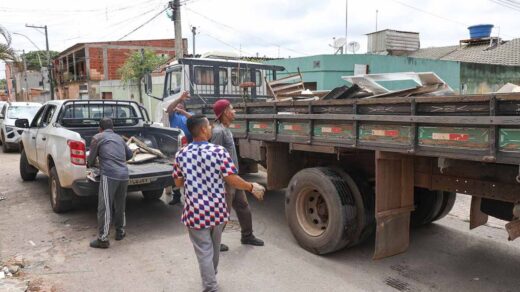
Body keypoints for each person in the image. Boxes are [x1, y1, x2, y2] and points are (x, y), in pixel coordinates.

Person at [173, 114, 265, 292]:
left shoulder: (181, 154)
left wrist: (193, 178)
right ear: (202, 129)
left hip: (195, 212)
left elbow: (178, 183)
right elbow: (231, 179)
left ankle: (210, 285)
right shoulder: (218, 152)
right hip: (217, 210)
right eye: (209, 126)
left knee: (204, 250)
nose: (211, 129)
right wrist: (251, 186)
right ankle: (211, 279)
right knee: (214, 249)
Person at [211, 99, 264, 252]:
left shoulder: (226, 129)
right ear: (225, 112)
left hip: (234, 177)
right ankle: (215, 242)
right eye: (232, 109)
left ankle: (247, 236)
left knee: (243, 207)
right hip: (226, 179)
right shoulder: (218, 132)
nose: (234, 112)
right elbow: (215, 157)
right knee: (223, 213)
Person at [87, 118, 133, 249]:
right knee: (120, 205)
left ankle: (103, 239)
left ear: (99, 128)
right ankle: (120, 232)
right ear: (112, 128)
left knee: (105, 207)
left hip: (110, 175)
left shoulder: (97, 137)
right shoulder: (119, 138)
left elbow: (91, 159)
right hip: (124, 175)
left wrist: (90, 163)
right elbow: (129, 155)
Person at [166, 91, 193, 205]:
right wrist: (178, 99)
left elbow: (195, 118)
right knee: (176, 173)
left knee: (189, 174)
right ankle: (176, 196)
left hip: (190, 149)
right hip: (176, 149)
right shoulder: (173, 116)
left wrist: (183, 111)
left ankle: (190, 197)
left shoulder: (188, 115)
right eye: (177, 105)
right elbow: (169, 109)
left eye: (181, 105)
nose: (178, 106)